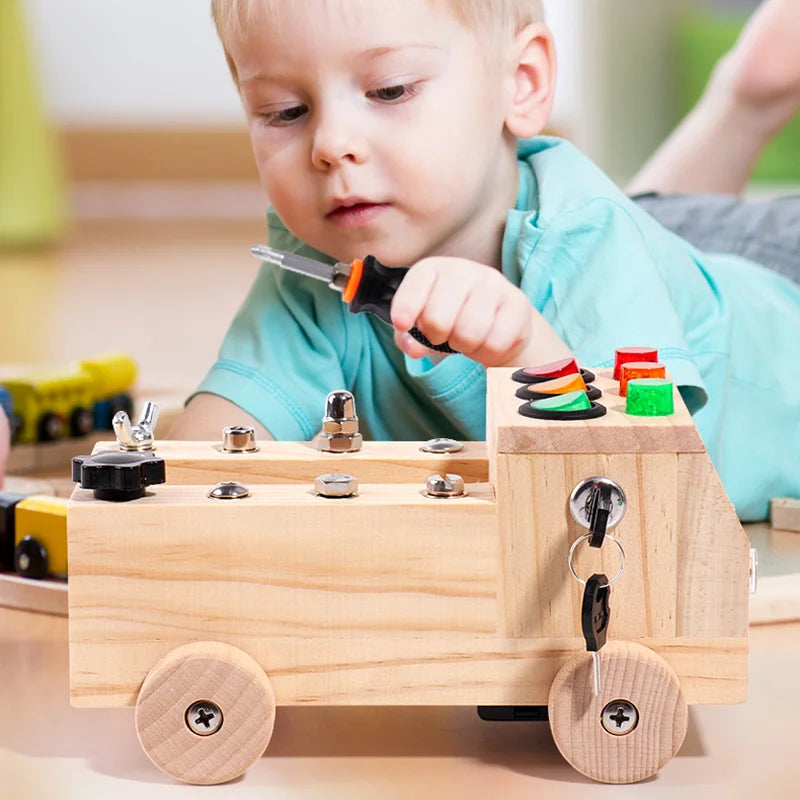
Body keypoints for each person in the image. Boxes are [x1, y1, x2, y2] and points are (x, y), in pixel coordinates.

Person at [170, 0, 800, 522]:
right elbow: (201, 464)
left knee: (646, 224)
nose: (330, 145)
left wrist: (526, 352)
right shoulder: (315, 263)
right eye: (285, 112)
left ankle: (746, 99)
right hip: (673, 247)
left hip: (779, 288)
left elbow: (629, 491)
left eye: (389, 90)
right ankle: (747, 96)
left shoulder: (588, 241)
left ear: (520, 82)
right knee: (657, 220)